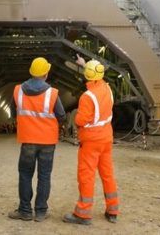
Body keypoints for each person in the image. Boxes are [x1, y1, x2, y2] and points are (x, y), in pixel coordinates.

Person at [63, 55, 119, 225]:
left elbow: (80, 120)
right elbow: (96, 76)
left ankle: (83, 214)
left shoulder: (87, 97)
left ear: (87, 76)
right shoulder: (108, 89)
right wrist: (85, 64)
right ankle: (112, 211)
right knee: (107, 175)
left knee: (86, 176)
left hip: (91, 141)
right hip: (106, 139)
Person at [8, 57, 66, 222]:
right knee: (44, 176)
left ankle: (25, 211)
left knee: (25, 175)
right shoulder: (52, 93)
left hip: (28, 140)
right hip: (47, 141)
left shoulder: (18, 90)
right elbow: (61, 116)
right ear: (46, 74)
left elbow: (13, 112)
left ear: (31, 72)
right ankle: (41, 211)